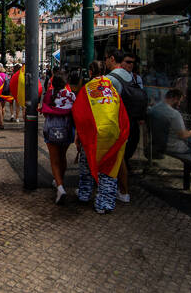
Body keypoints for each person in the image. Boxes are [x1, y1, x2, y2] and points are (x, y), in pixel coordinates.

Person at [72, 61, 130, 214]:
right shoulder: (111, 89)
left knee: (87, 166)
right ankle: (104, 203)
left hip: (93, 135)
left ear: (90, 72)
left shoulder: (86, 89)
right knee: (108, 168)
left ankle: (85, 194)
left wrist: (79, 135)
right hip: (113, 133)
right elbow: (121, 111)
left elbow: (79, 115)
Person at [105, 49, 146, 204]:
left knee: (118, 157)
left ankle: (122, 190)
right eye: (128, 62)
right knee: (122, 157)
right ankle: (122, 189)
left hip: (119, 123)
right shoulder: (135, 78)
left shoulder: (110, 79)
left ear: (113, 59)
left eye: (107, 59)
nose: (105, 62)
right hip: (132, 122)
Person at [40, 70, 76, 205]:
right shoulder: (71, 95)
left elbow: (45, 114)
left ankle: (60, 187)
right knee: (63, 156)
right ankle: (60, 179)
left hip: (51, 130)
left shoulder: (49, 95)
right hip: (67, 130)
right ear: (66, 83)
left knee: (54, 160)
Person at [148, 89, 191, 160]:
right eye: (179, 101)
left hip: (159, 142)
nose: (179, 104)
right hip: (174, 146)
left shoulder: (154, 109)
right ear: (175, 99)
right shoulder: (174, 114)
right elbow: (182, 135)